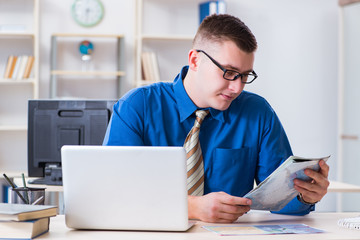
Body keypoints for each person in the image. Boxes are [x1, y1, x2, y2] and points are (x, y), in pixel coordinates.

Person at [103, 14, 329, 223]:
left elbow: (279, 199)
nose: (237, 87)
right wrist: (190, 208)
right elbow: (113, 191)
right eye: (229, 72)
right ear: (194, 60)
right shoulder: (136, 107)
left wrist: (305, 196)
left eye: (245, 76)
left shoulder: (257, 112)